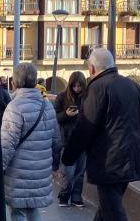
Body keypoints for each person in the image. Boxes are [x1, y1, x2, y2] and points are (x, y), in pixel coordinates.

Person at [62, 48, 140, 221]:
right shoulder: (133, 86)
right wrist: (137, 150)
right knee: (108, 208)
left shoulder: (97, 88)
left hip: (108, 162)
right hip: (130, 158)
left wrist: (68, 157)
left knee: (113, 212)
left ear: (92, 68)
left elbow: (85, 127)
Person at [1, 63, 62, 221]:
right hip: (41, 171)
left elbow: (7, 145)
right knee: (32, 209)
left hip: (18, 173)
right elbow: (57, 141)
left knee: (18, 211)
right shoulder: (47, 106)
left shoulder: (14, 107)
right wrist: (55, 166)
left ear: (15, 82)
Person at [54, 71, 87, 207]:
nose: (77, 89)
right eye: (74, 86)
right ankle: (64, 195)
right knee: (68, 171)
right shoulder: (62, 97)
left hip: (83, 139)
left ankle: (76, 197)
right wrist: (66, 114)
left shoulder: (87, 97)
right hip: (67, 140)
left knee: (80, 171)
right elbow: (55, 117)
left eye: (79, 86)